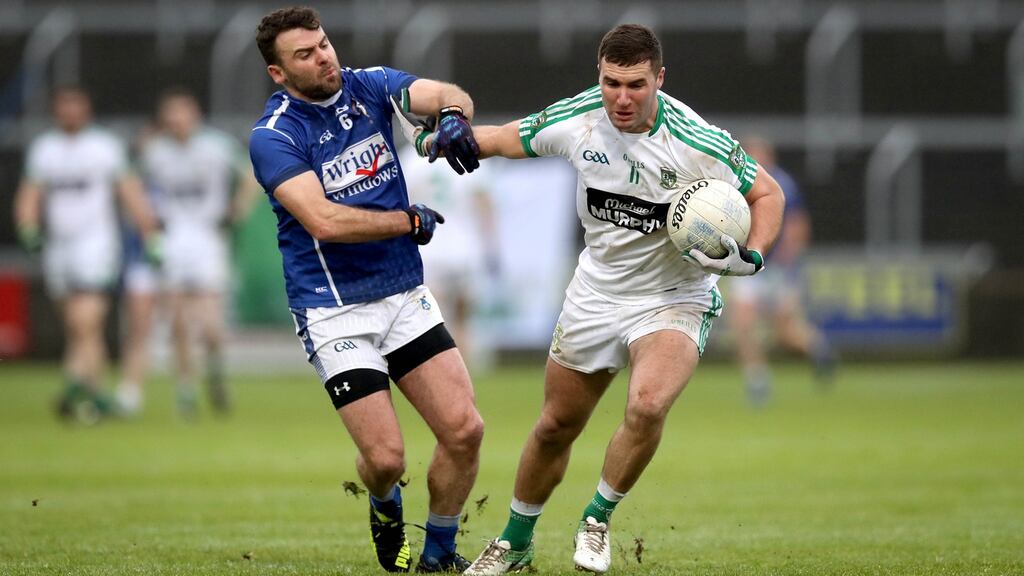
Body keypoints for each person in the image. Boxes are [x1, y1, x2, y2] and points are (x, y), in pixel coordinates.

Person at [436, 24, 785, 574]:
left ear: (659, 79)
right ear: (599, 77)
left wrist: (755, 253)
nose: (622, 98)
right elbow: (507, 138)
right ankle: (515, 541)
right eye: (611, 83)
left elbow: (768, 192)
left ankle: (596, 520)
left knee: (647, 404)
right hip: (596, 293)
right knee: (555, 425)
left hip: (675, 295)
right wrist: (452, 139)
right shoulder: (580, 119)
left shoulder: (698, 140)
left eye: (636, 85)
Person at [247, 7, 484, 573]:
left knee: (465, 430)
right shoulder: (274, 135)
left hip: (402, 294)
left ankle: (440, 552)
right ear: (278, 73)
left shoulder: (370, 85)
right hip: (334, 311)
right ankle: (384, 503)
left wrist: (453, 117)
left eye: (323, 44)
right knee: (385, 458)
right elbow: (324, 221)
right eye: (304, 54)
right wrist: (408, 221)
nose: (323, 56)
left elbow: (449, 93)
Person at [13, 85, 159, 423]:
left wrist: (149, 233)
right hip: (59, 247)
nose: (69, 114)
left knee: (85, 320)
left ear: (86, 110)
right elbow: (30, 194)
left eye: (75, 107)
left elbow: (130, 192)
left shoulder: (103, 148)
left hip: (96, 246)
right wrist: (28, 226)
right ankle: (94, 397)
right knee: (78, 328)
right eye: (63, 107)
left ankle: (76, 386)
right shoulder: (45, 149)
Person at [116, 87, 259, 418]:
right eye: (171, 116)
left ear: (194, 115)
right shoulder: (155, 152)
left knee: (210, 324)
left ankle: (215, 366)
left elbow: (251, 174)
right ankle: (185, 389)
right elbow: (130, 182)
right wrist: (148, 223)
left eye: (182, 114)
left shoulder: (216, 146)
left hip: (208, 239)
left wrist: (236, 210)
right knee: (178, 319)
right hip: (174, 240)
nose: (176, 122)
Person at [726, 134, 836, 406]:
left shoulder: (781, 184)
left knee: (786, 333)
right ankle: (757, 381)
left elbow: (798, 224)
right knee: (743, 323)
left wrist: (789, 257)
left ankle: (817, 349)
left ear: (769, 157)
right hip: (746, 264)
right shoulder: (734, 183)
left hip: (776, 266)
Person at [399, 144, 501, 373]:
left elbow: (402, 203)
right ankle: (465, 378)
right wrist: (492, 249)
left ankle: (441, 377)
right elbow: (485, 206)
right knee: (463, 321)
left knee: (432, 323)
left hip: (429, 248)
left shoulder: (412, 157)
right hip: (465, 248)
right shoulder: (470, 154)